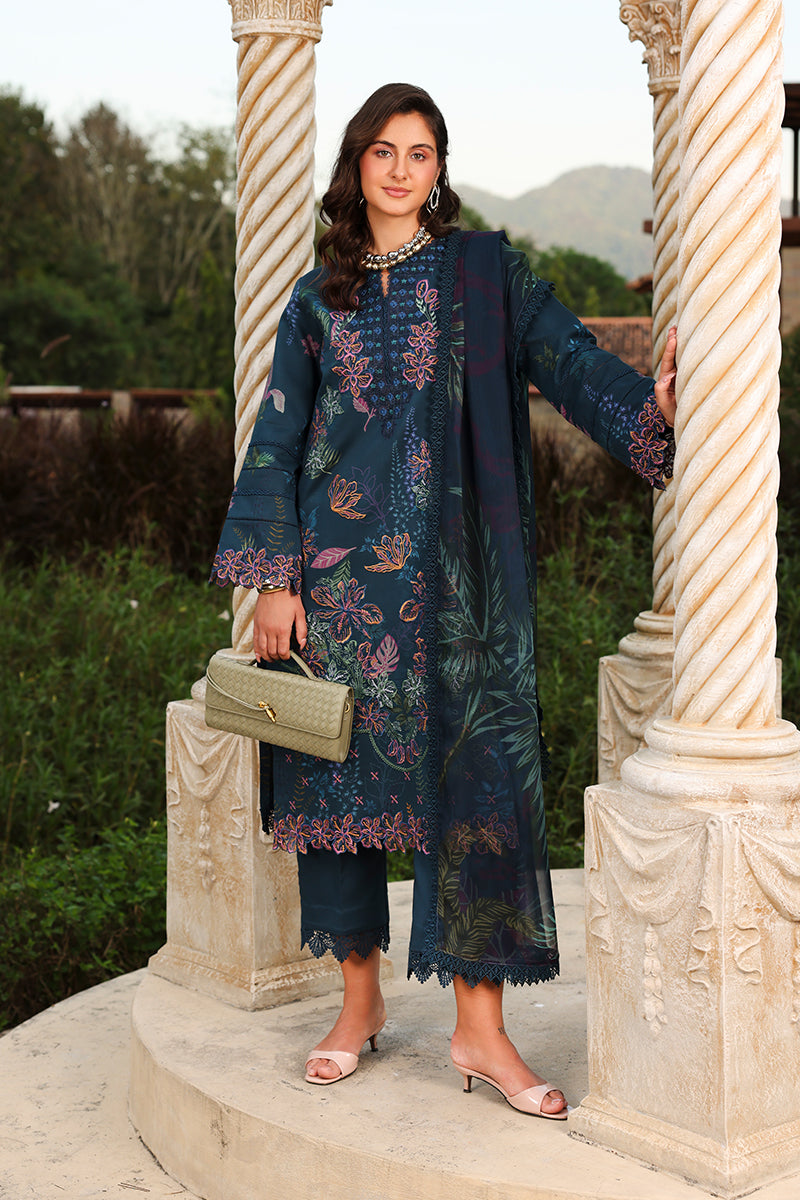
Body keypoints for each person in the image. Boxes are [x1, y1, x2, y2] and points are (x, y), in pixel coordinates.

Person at [212, 82, 677, 1119]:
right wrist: (274, 584)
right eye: (383, 150)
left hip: (457, 596)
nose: (399, 169)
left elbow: (568, 359)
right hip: (337, 600)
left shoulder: (484, 277)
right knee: (338, 805)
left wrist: (647, 404)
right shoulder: (315, 299)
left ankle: (480, 1032)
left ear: (437, 171)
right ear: (357, 164)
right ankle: (359, 1006)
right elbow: (279, 437)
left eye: (418, 153)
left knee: (474, 801)